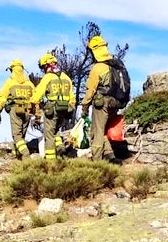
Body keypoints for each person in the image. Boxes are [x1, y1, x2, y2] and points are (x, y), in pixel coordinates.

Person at [81, 35, 122, 163]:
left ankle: (97, 161)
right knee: (103, 129)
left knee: (97, 132)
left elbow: (90, 91)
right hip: (115, 102)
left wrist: (84, 106)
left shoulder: (98, 67)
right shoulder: (116, 64)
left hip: (102, 103)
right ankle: (110, 156)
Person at [32, 52, 75, 161]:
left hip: (52, 109)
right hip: (65, 109)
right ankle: (61, 149)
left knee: (49, 134)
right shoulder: (66, 77)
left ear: (46, 65)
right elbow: (72, 97)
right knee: (56, 131)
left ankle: (51, 161)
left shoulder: (48, 77)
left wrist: (32, 104)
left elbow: (37, 95)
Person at [0, 59, 35, 159]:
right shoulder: (29, 84)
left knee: (16, 135)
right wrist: (36, 114)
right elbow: (35, 98)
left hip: (15, 110)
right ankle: (18, 155)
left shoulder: (9, 82)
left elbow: (2, 98)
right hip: (28, 111)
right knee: (22, 134)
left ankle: (25, 154)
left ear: (12, 70)